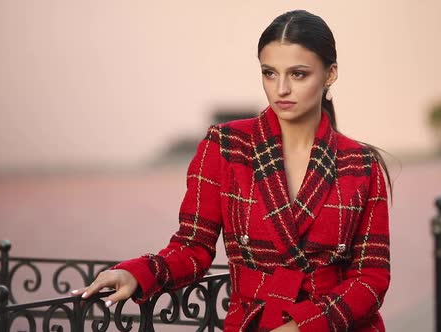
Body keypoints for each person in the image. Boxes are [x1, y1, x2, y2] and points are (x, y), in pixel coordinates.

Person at [72, 9, 391, 332]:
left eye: (298, 74)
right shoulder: (225, 146)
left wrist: (303, 326)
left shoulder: (361, 164)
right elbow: (192, 247)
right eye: (269, 73)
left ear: (330, 74)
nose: (281, 89)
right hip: (254, 324)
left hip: (335, 326)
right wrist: (137, 273)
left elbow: (372, 276)